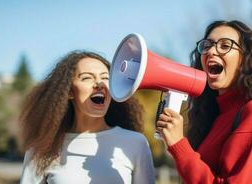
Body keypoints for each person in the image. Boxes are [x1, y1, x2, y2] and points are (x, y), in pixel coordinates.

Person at [157, 20, 252, 184]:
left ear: (245, 59)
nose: (211, 51)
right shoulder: (214, 115)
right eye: (207, 45)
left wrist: (180, 146)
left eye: (225, 45)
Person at [19, 51, 155, 184]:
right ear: (70, 92)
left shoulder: (136, 143)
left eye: (106, 78)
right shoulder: (42, 148)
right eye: (87, 78)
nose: (99, 84)